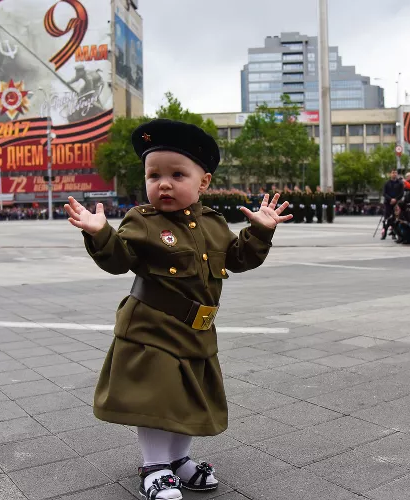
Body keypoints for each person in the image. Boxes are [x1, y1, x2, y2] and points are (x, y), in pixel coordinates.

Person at [65, 119, 288, 500]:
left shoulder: (214, 223)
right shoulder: (142, 220)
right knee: (157, 398)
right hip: (151, 329)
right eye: (154, 175)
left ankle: (179, 460)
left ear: (203, 182)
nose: (163, 183)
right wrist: (99, 232)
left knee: (185, 397)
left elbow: (237, 258)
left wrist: (261, 231)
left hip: (197, 332)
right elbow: (120, 260)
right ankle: (154, 467)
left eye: (176, 174)